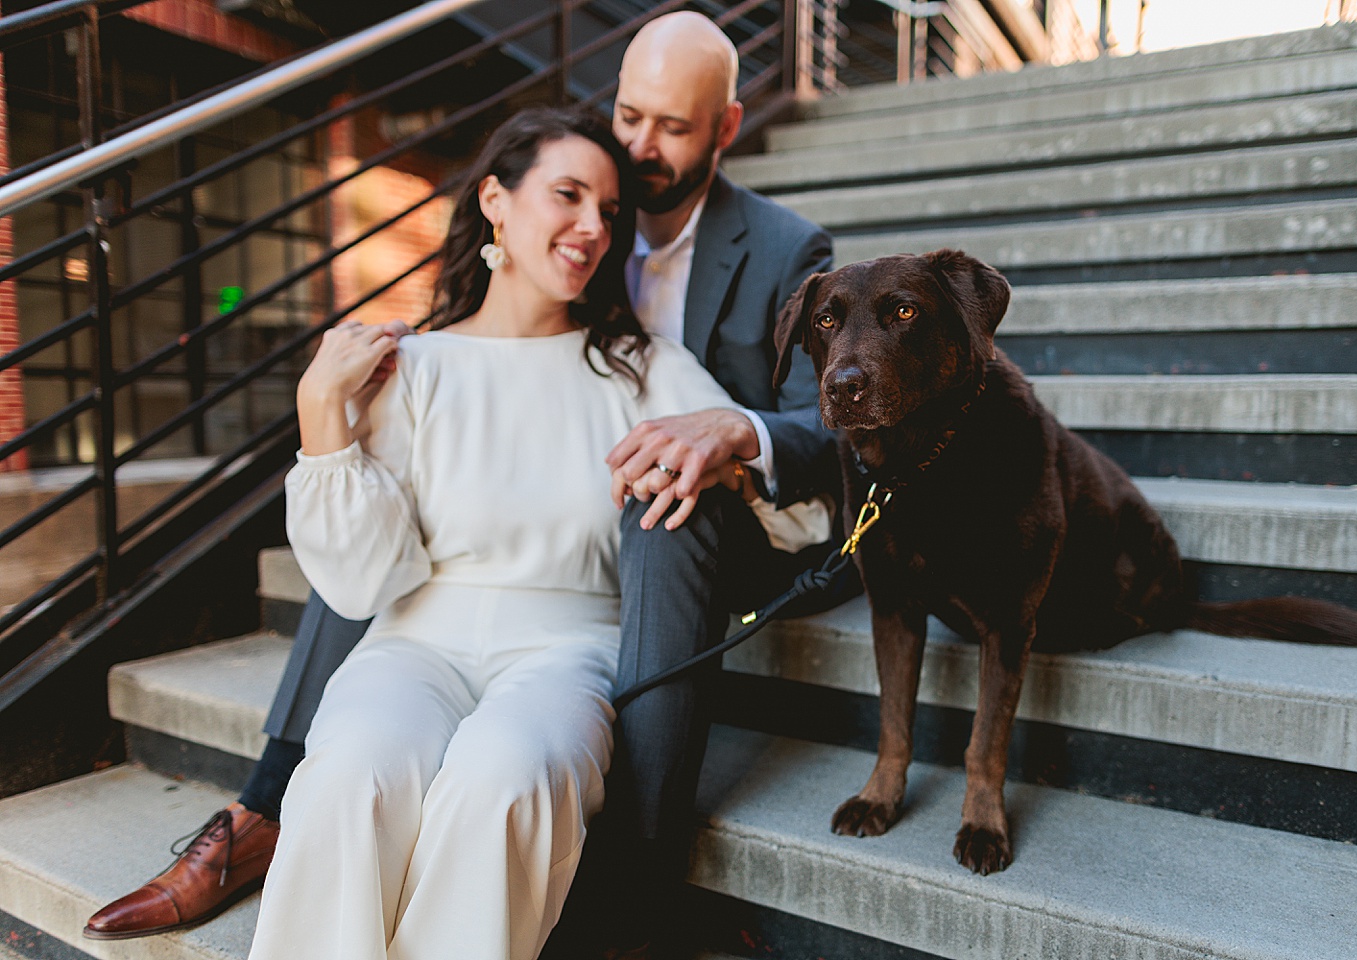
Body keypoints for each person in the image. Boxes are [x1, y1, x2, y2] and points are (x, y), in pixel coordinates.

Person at [84, 12, 844, 951]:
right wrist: (323, 419)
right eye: (569, 194)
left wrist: (736, 444)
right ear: (494, 200)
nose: (594, 226)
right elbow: (360, 583)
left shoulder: (649, 362)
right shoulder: (412, 364)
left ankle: (632, 887)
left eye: (607, 210)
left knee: (505, 775)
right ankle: (261, 813)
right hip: (417, 637)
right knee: (351, 770)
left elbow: (801, 507)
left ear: (722, 129)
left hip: (576, 637)